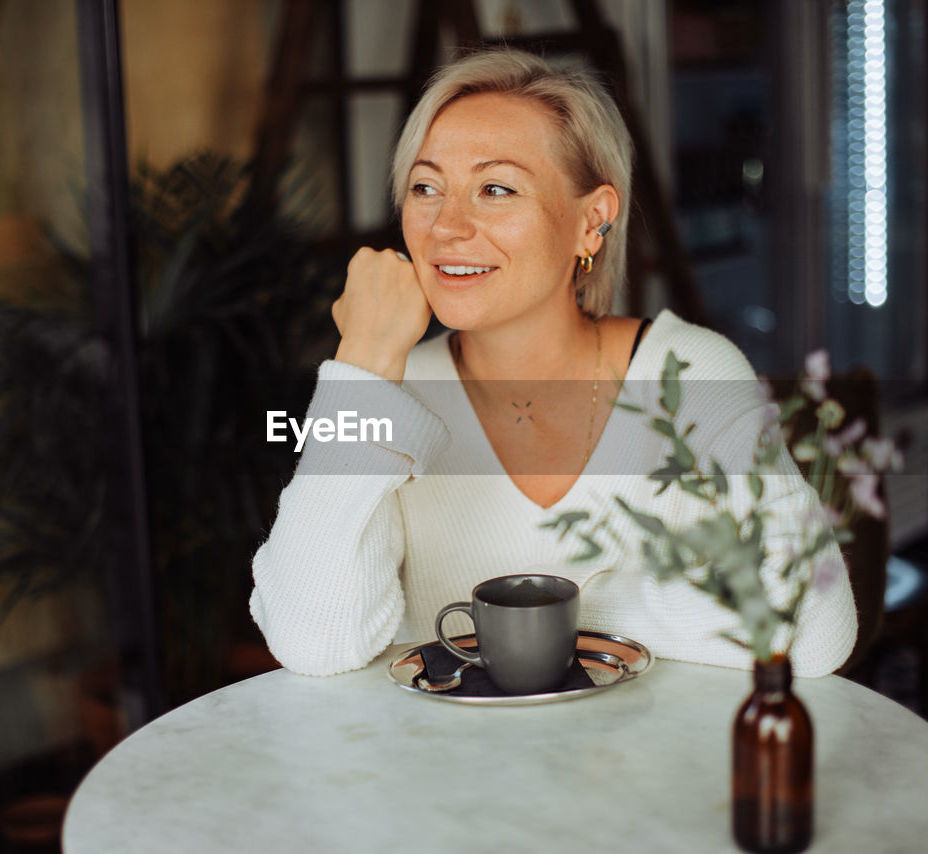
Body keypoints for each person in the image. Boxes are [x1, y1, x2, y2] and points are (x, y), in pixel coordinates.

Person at [249, 49, 856, 679]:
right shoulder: (390, 392)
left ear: (591, 221)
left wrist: (556, 615)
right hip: (446, 770)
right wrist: (366, 366)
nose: (446, 226)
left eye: (496, 188)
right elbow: (312, 639)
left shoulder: (689, 370)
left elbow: (814, 628)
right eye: (425, 187)